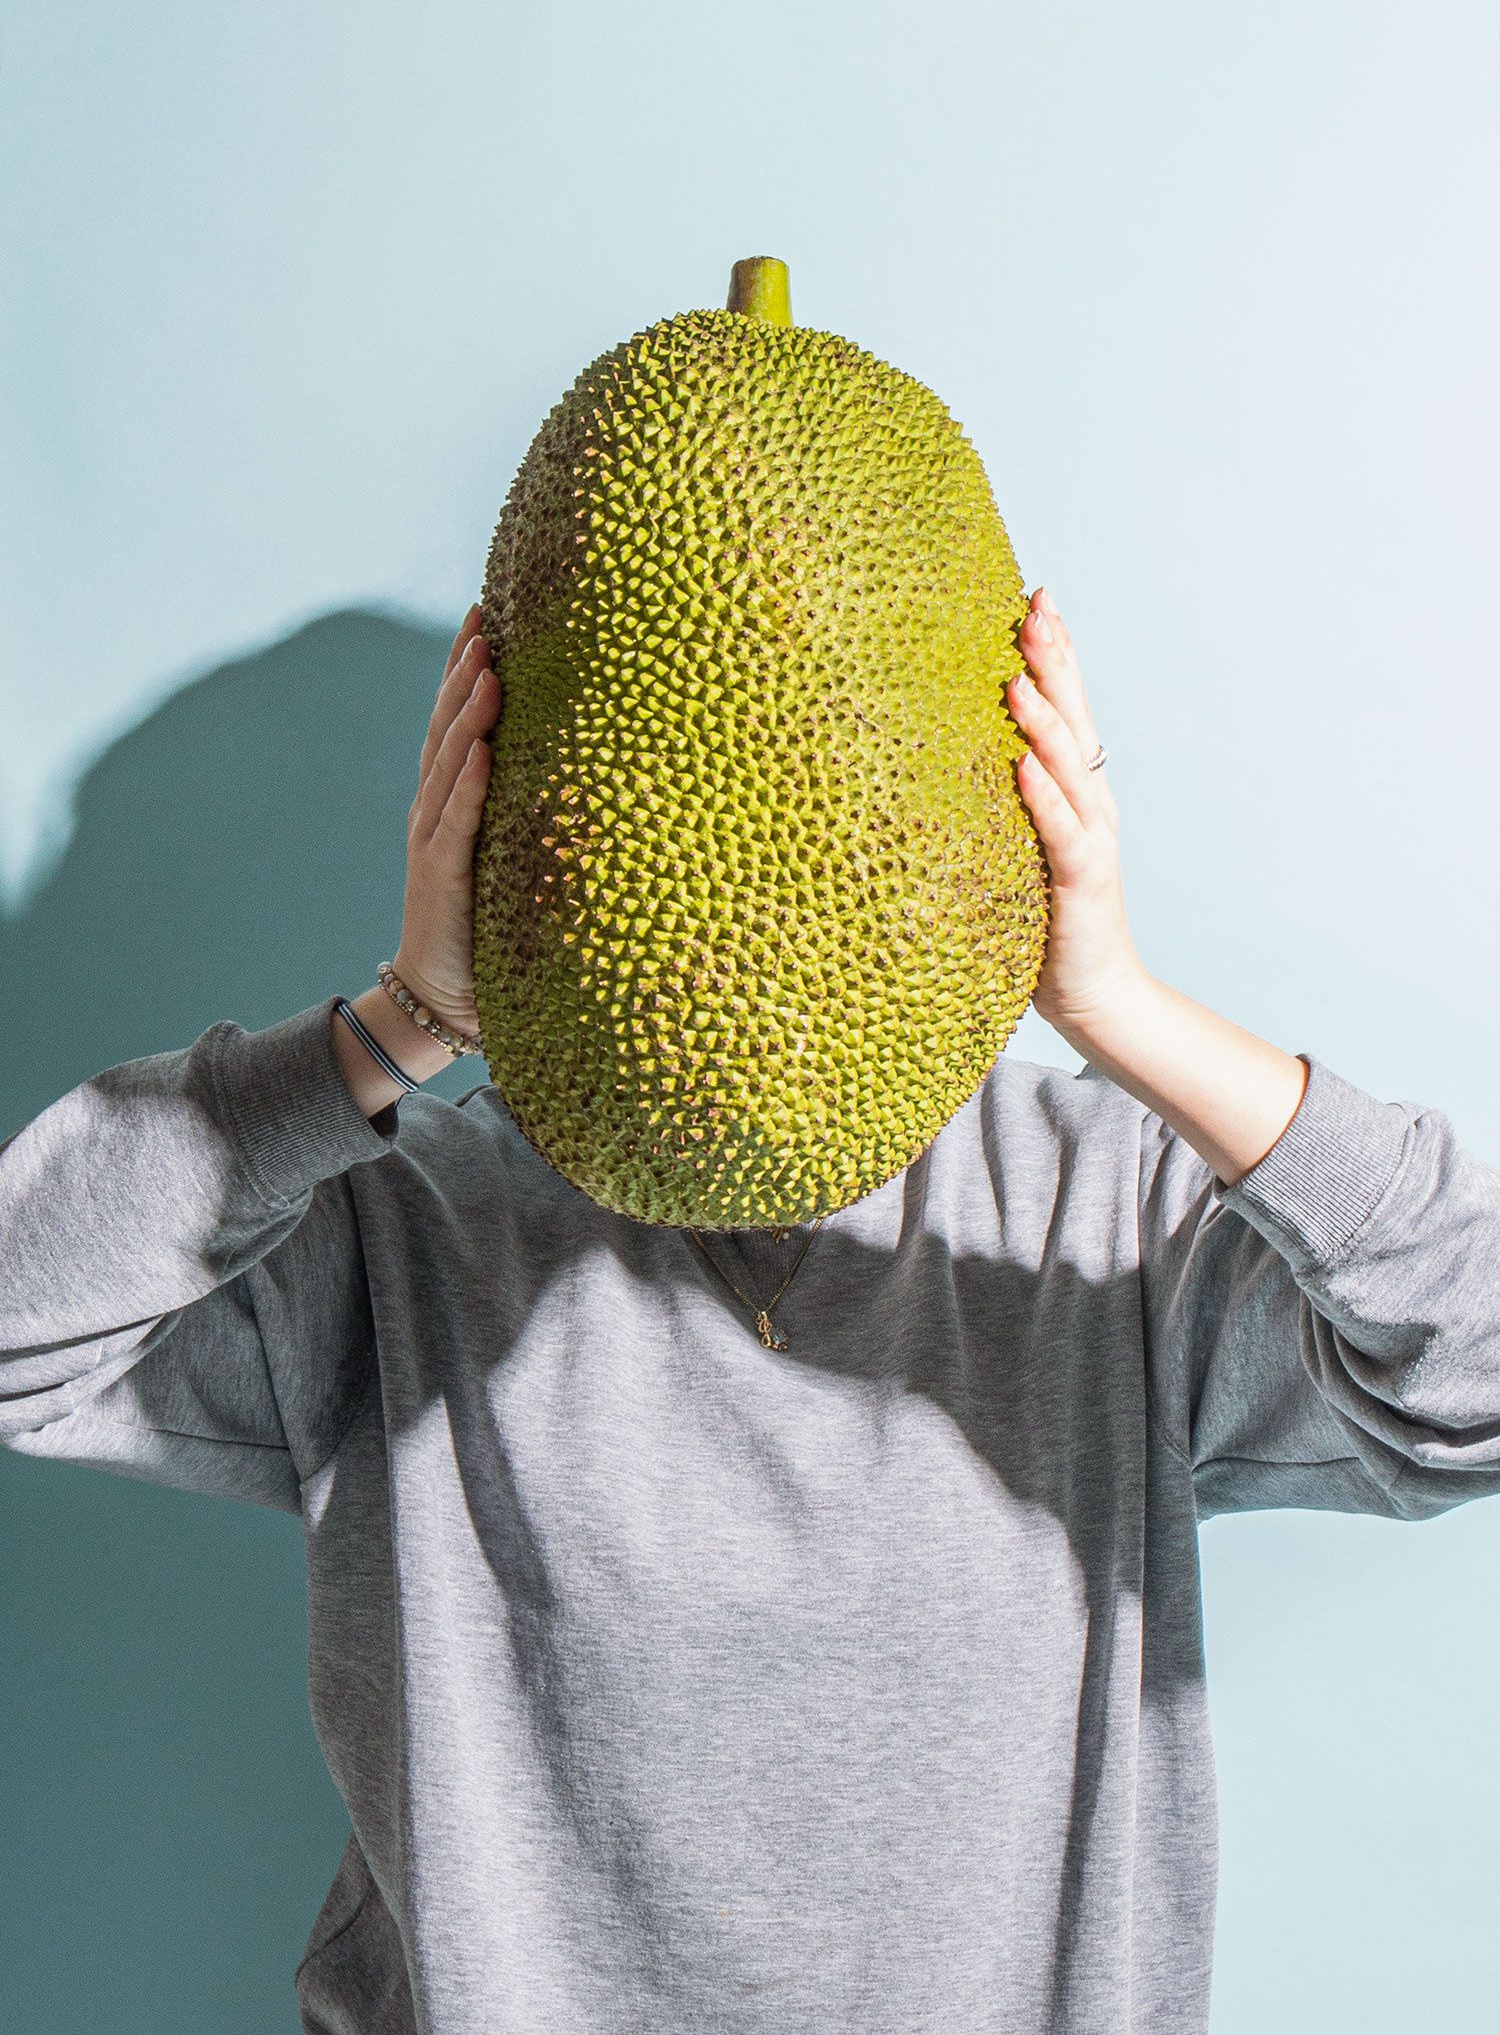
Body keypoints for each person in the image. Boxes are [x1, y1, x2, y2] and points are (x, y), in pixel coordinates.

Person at [3, 587, 1497, 2035]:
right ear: (510, 827)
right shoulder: (400, 1224)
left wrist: (1121, 1009)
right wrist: (404, 1018)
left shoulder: (1111, 1211)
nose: (758, 863)